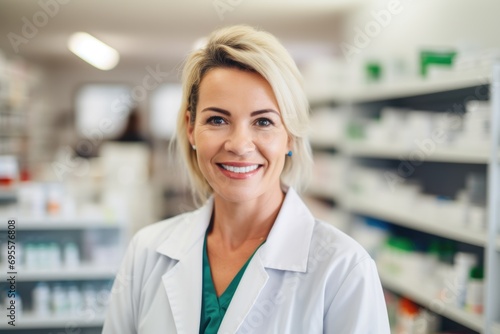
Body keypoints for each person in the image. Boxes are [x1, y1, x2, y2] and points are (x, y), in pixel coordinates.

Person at [102, 25, 390, 334]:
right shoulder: (146, 252)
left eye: (263, 121)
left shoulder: (344, 269)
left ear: (290, 136)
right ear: (190, 128)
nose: (239, 145)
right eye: (217, 120)